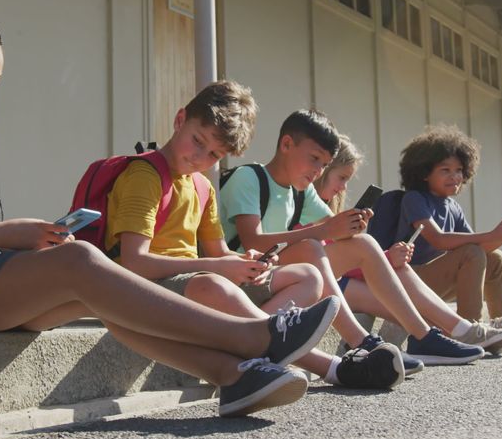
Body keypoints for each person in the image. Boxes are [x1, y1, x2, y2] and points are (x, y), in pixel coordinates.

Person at [0, 0, 340, 418]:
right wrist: (9, 233)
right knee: (82, 260)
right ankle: (257, 338)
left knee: (102, 293)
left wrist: (22, 244)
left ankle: (234, 377)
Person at [106, 81, 403, 390]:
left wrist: (245, 262)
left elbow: (218, 252)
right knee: (214, 284)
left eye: (214, 154)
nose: (200, 158)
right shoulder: (145, 175)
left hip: (195, 283)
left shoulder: (202, 186)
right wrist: (221, 267)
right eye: (197, 140)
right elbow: (134, 262)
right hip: (147, 289)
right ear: (179, 120)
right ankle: (333, 368)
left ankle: (251, 349)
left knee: (307, 276)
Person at [219, 110, 502, 365]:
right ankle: (364, 341)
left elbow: (332, 228)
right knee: (312, 245)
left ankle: (425, 336)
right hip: (244, 275)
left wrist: (352, 226)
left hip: (283, 273)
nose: (317, 170)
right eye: (313, 159)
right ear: (286, 144)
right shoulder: (250, 177)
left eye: (324, 165)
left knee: (363, 243)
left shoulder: (303, 191)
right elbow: (254, 240)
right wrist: (328, 230)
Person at [395, 124, 502, 342]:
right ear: (424, 173)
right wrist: (494, 234)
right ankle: (468, 329)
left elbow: (479, 250)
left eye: (459, 171)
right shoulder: (415, 199)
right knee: (472, 253)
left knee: (495, 259)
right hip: (413, 279)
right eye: (445, 170)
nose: (454, 177)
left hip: (439, 280)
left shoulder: (453, 207)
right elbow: (438, 239)